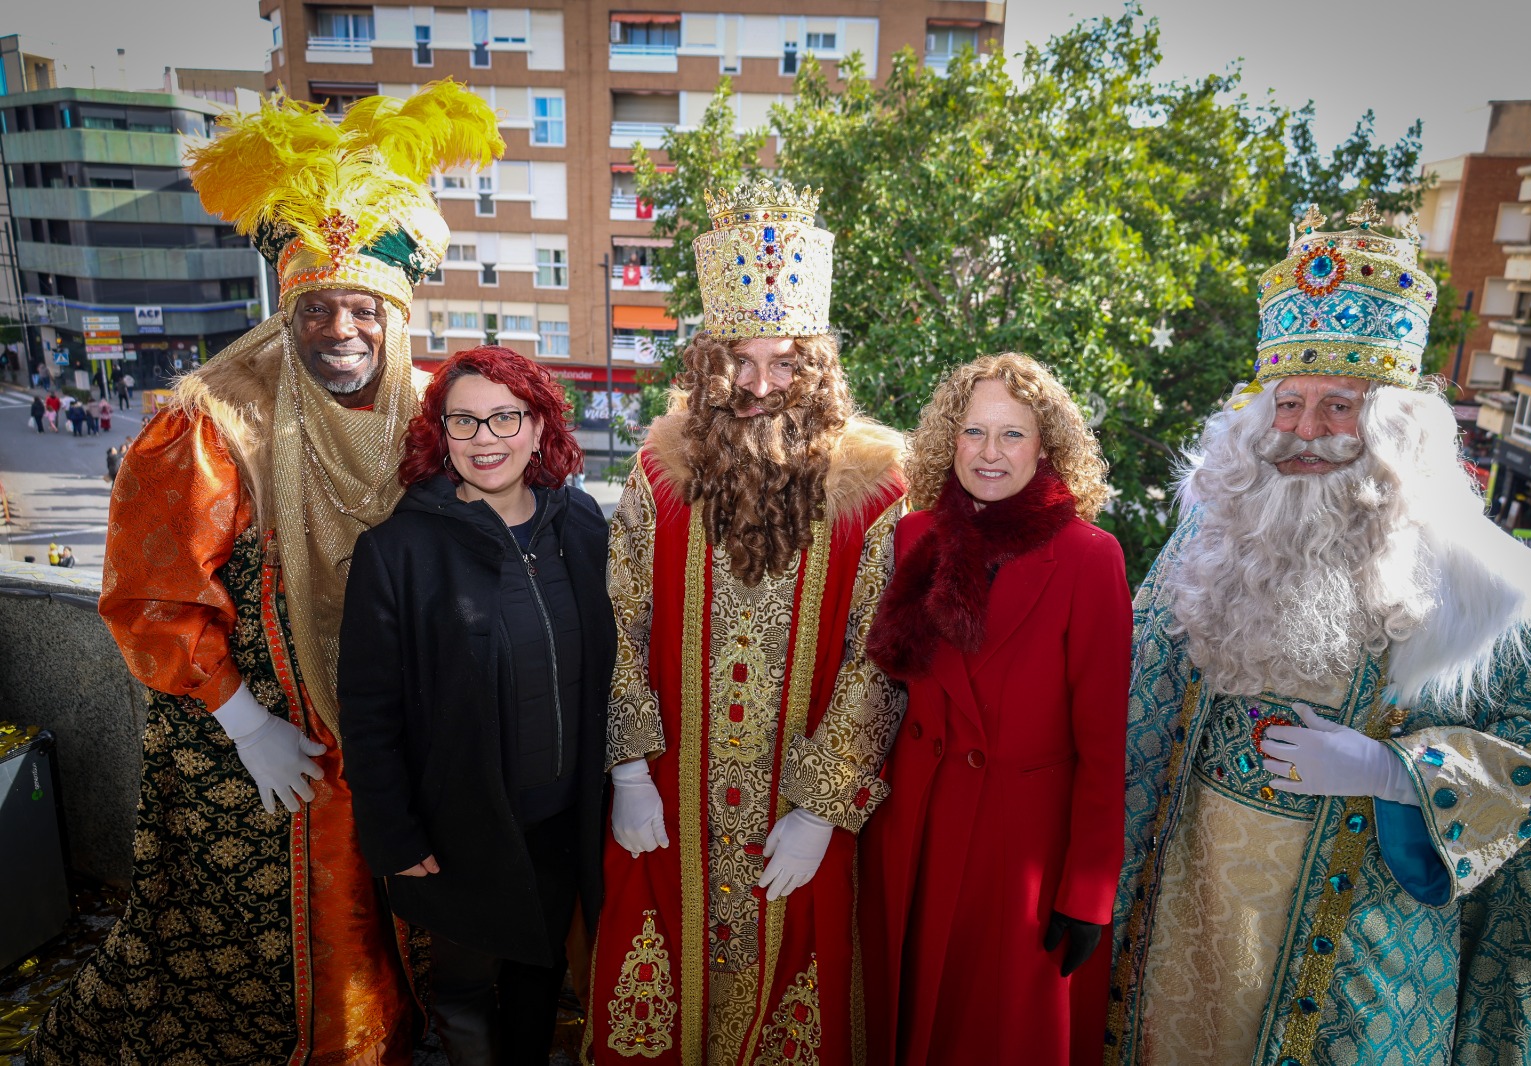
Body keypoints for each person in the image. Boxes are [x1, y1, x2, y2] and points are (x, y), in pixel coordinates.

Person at [30, 82, 504, 1066]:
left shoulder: (439, 407)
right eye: (318, 308)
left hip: (400, 737)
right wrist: (248, 726)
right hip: (259, 756)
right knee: (276, 962)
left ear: (401, 309)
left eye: (366, 309)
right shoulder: (208, 421)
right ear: (286, 306)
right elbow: (150, 597)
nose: (342, 331)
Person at [1107, 202, 1531, 1065]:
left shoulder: (1478, 575)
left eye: (1339, 406)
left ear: (1394, 423)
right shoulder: (1209, 532)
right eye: (1288, 403)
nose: (1303, 433)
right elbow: (1131, 700)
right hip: (1185, 901)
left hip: (1357, 945)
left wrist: (1400, 772)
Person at [582, 179, 907, 1065]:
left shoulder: (879, 491)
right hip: (671, 792)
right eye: (740, 363)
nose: (761, 387)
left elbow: (878, 657)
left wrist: (824, 807)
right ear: (707, 362)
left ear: (820, 366)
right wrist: (627, 769)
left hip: (795, 801)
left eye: (787, 362)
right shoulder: (658, 475)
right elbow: (619, 619)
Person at [340, 345, 614, 1064]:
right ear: (441, 433)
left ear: (538, 426)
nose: (486, 440)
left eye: (504, 418)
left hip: (561, 818)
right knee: (462, 994)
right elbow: (369, 711)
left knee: (540, 975)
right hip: (458, 826)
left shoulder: (582, 527)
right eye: (465, 422)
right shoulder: (398, 550)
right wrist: (394, 836)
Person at [861, 354, 1131, 1066]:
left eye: (1012, 435)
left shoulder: (1089, 556)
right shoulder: (914, 537)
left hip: (1020, 854)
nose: (989, 453)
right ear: (949, 441)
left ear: (1046, 447)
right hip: (914, 826)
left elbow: (1104, 748)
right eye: (974, 432)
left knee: (996, 1036)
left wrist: (1088, 890)